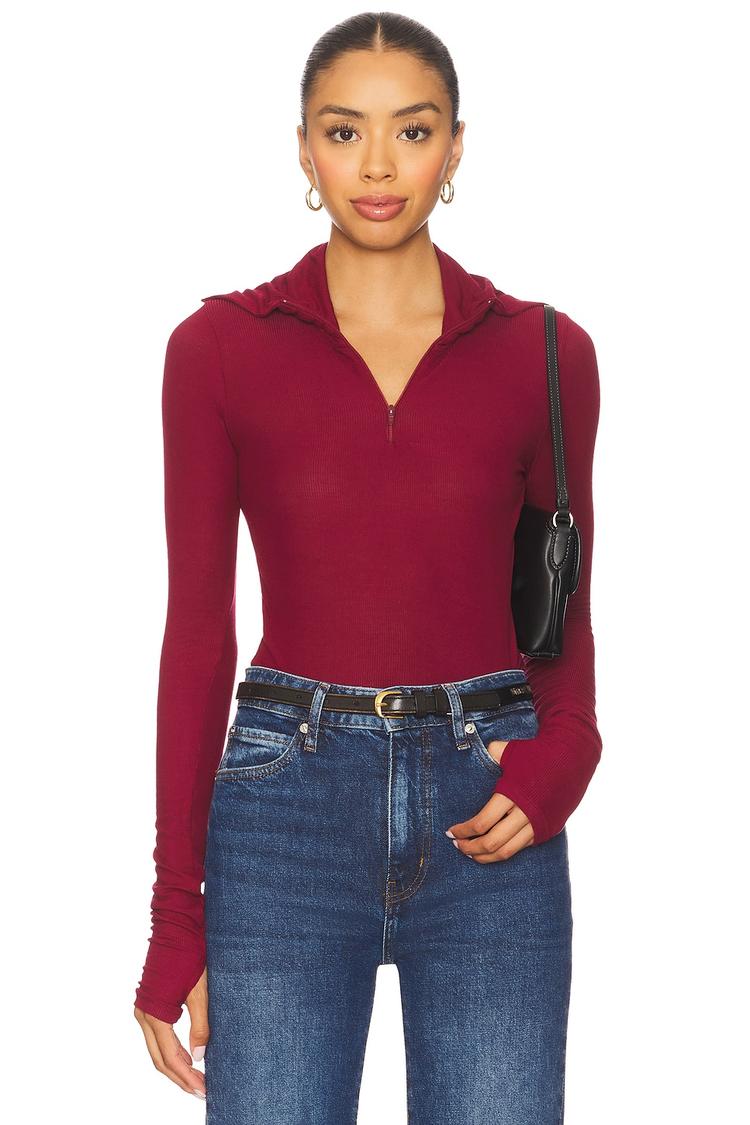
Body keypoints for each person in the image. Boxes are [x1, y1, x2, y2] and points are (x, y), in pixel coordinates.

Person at [133, 12, 603, 1124]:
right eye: (346, 132)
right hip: (283, 813)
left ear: (456, 146)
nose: (379, 166)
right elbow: (197, 630)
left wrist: (566, 756)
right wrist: (175, 912)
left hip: (492, 808)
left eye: (414, 130)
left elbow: (560, 613)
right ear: (304, 148)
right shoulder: (218, 350)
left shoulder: (545, 351)